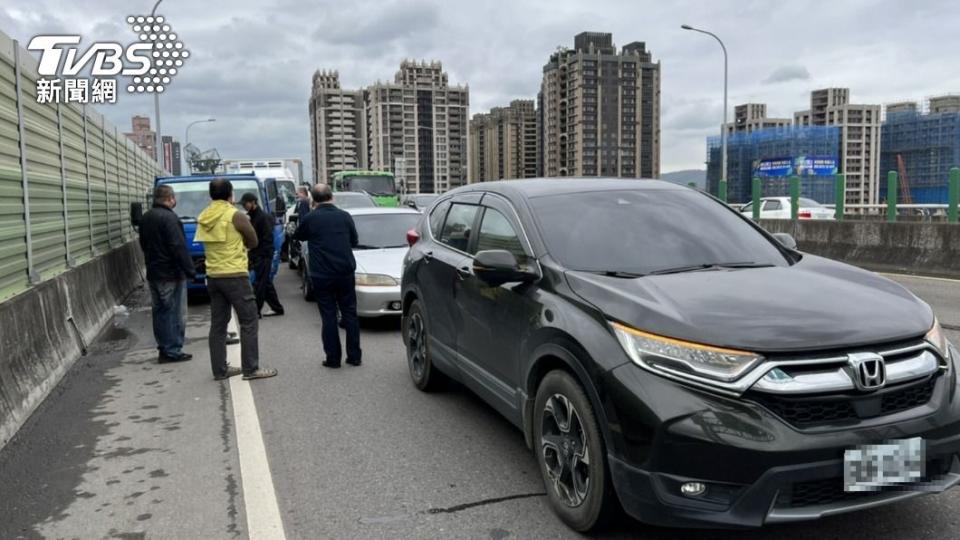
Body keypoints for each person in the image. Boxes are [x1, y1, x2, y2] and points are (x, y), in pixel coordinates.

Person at [195, 179, 278, 381]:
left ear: (211, 195)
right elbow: (253, 240)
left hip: (213, 275)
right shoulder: (235, 215)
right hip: (235, 275)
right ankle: (251, 369)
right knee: (249, 321)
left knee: (218, 325)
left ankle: (220, 370)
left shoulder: (204, 215)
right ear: (230, 195)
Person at [294, 183, 361, 368]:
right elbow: (354, 240)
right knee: (350, 313)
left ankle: (333, 359)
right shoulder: (344, 216)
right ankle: (354, 356)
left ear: (313, 200)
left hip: (321, 273)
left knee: (328, 315)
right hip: (345, 271)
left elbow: (299, 235)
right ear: (332, 196)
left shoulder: (310, 218)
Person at [138, 184, 195, 363]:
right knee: (175, 313)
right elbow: (177, 246)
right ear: (170, 198)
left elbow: (143, 244)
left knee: (160, 312)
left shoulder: (146, 217)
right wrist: (190, 270)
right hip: (171, 273)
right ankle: (173, 350)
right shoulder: (170, 218)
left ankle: (164, 348)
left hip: (154, 272)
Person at [240, 192, 285, 318]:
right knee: (265, 282)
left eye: (245, 204)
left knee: (260, 283)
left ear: (253, 202)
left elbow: (267, 239)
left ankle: (256, 311)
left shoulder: (262, 217)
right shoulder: (252, 216)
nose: (244, 206)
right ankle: (277, 308)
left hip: (263, 255)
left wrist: (262, 254)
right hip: (256, 254)